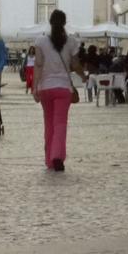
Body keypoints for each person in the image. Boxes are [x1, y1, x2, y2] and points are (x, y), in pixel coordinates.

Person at [32, 9, 86, 171]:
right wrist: (83, 76)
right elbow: (75, 64)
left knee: (49, 124)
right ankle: (57, 156)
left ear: (50, 22)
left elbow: (38, 65)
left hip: (45, 88)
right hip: (63, 88)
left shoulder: (40, 41)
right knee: (60, 123)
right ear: (64, 23)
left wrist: (35, 87)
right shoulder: (71, 42)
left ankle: (49, 159)